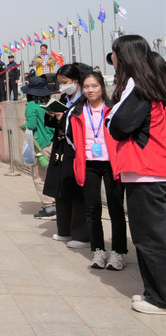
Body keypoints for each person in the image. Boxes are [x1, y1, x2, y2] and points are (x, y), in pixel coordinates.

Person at [106, 35, 166, 315]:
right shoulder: (153, 86)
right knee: (154, 236)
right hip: (152, 170)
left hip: (147, 173)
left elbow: (119, 126)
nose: (113, 59)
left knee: (150, 238)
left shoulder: (140, 90)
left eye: (115, 53)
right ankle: (154, 292)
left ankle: (159, 299)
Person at [66, 71, 127, 270]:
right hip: (89, 164)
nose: (90, 90)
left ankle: (118, 252)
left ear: (102, 87)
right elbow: (69, 137)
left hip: (112, 164)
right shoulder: (76, 111)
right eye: (86, 87)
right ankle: (98, 250)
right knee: (92, 209)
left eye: (94, 86)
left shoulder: (114, 109)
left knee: (116, 209)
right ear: (81, 89)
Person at [42, 63, 90, 249]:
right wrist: (51, 115)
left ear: (76, 81)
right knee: (61, 190)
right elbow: (52, 124)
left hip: (75, 149)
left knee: (76, 190)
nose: (63, 86)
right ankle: (64, 230)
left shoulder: (83, 100)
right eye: (60, 83)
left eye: (65, 82)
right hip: (60, 147)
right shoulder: (63, 98)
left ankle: (81, 234)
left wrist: (65, 119)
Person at [20, 76, 56, 219]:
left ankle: (48, 206)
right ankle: (56, 203)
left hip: (40, 144)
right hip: (54, 143)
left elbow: (32, 125)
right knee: (53, 176)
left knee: (39, 177)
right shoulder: (51, 103)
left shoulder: (31, 106)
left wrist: (23, 126)